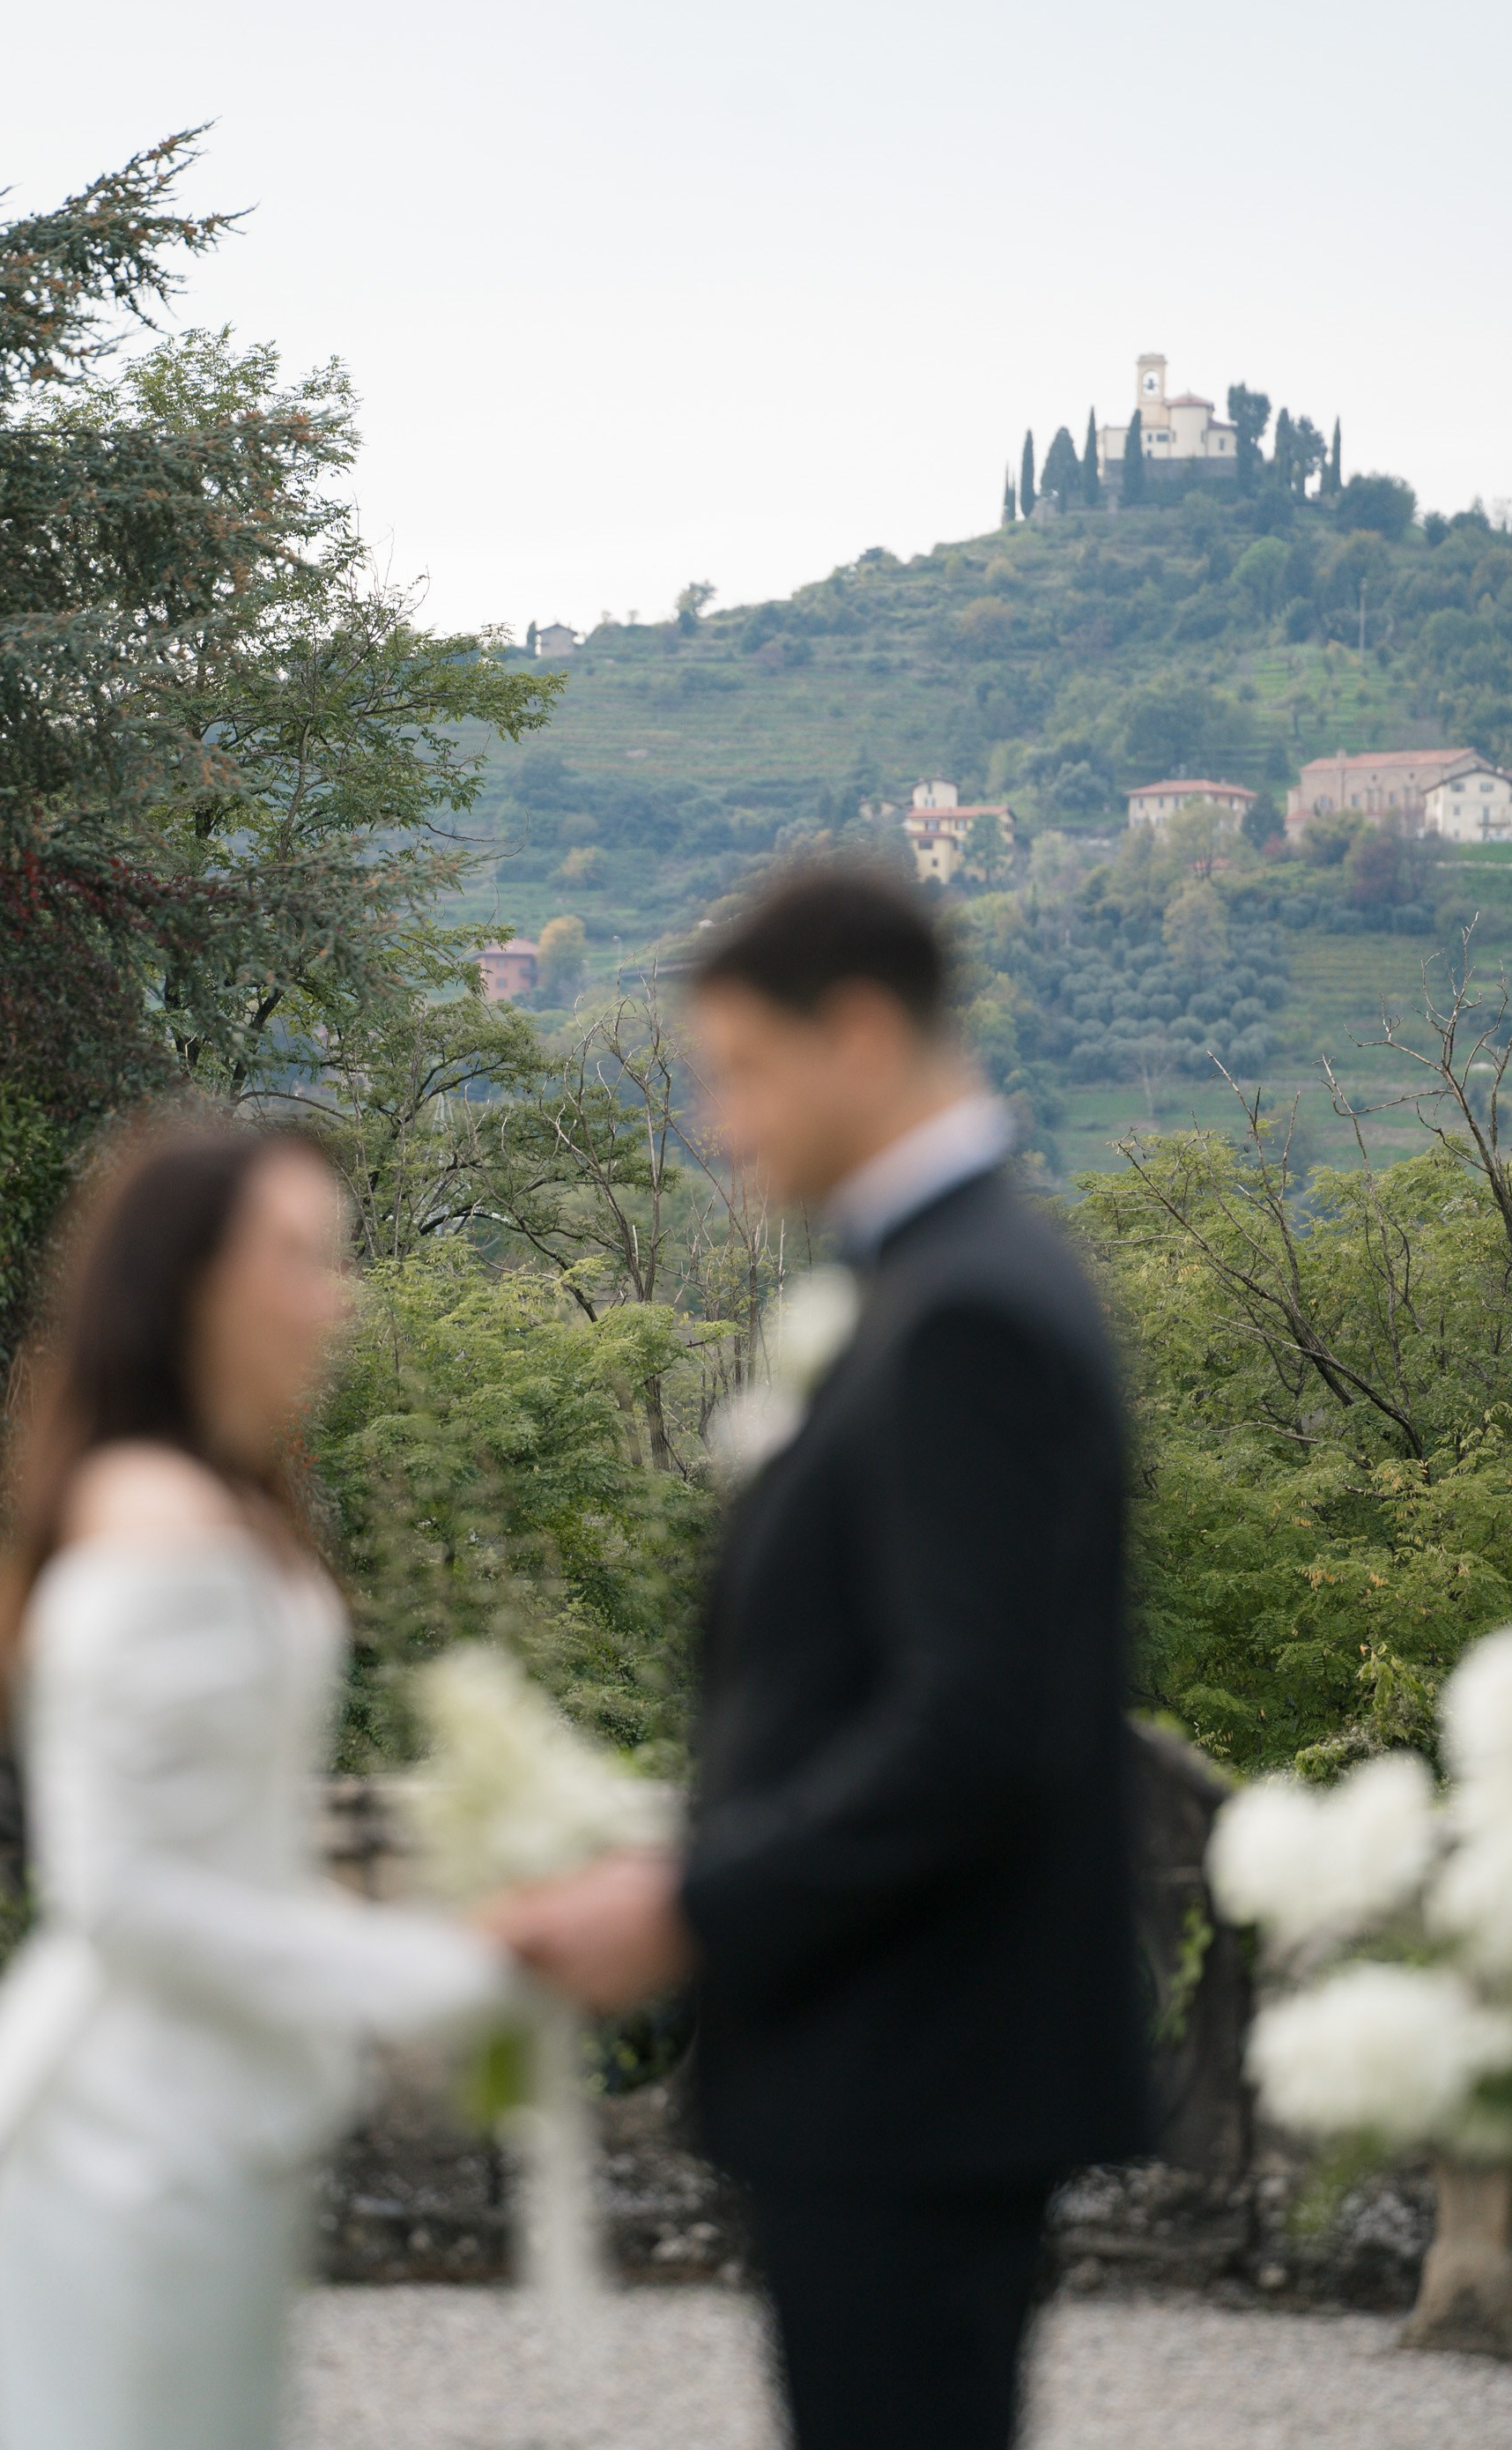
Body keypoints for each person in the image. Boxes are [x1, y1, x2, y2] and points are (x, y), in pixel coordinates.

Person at [486, 865, 1149, 2450]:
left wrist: (687, 1903)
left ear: (856, 1034)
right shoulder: (945, 1281)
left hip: (911, 2076)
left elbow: (974, 1723)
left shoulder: (967, 1312)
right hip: (893, 2069)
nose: (719, 1125)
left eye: (740, 1072)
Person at [0, 1120, 508, 2450]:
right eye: (300, 1257)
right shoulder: (160, 1523)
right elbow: (126, 1895)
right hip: (130, 2151)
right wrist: (448, 1971)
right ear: (192, 1283)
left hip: (212, 2133)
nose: (338, 1295)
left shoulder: (211, 1497)